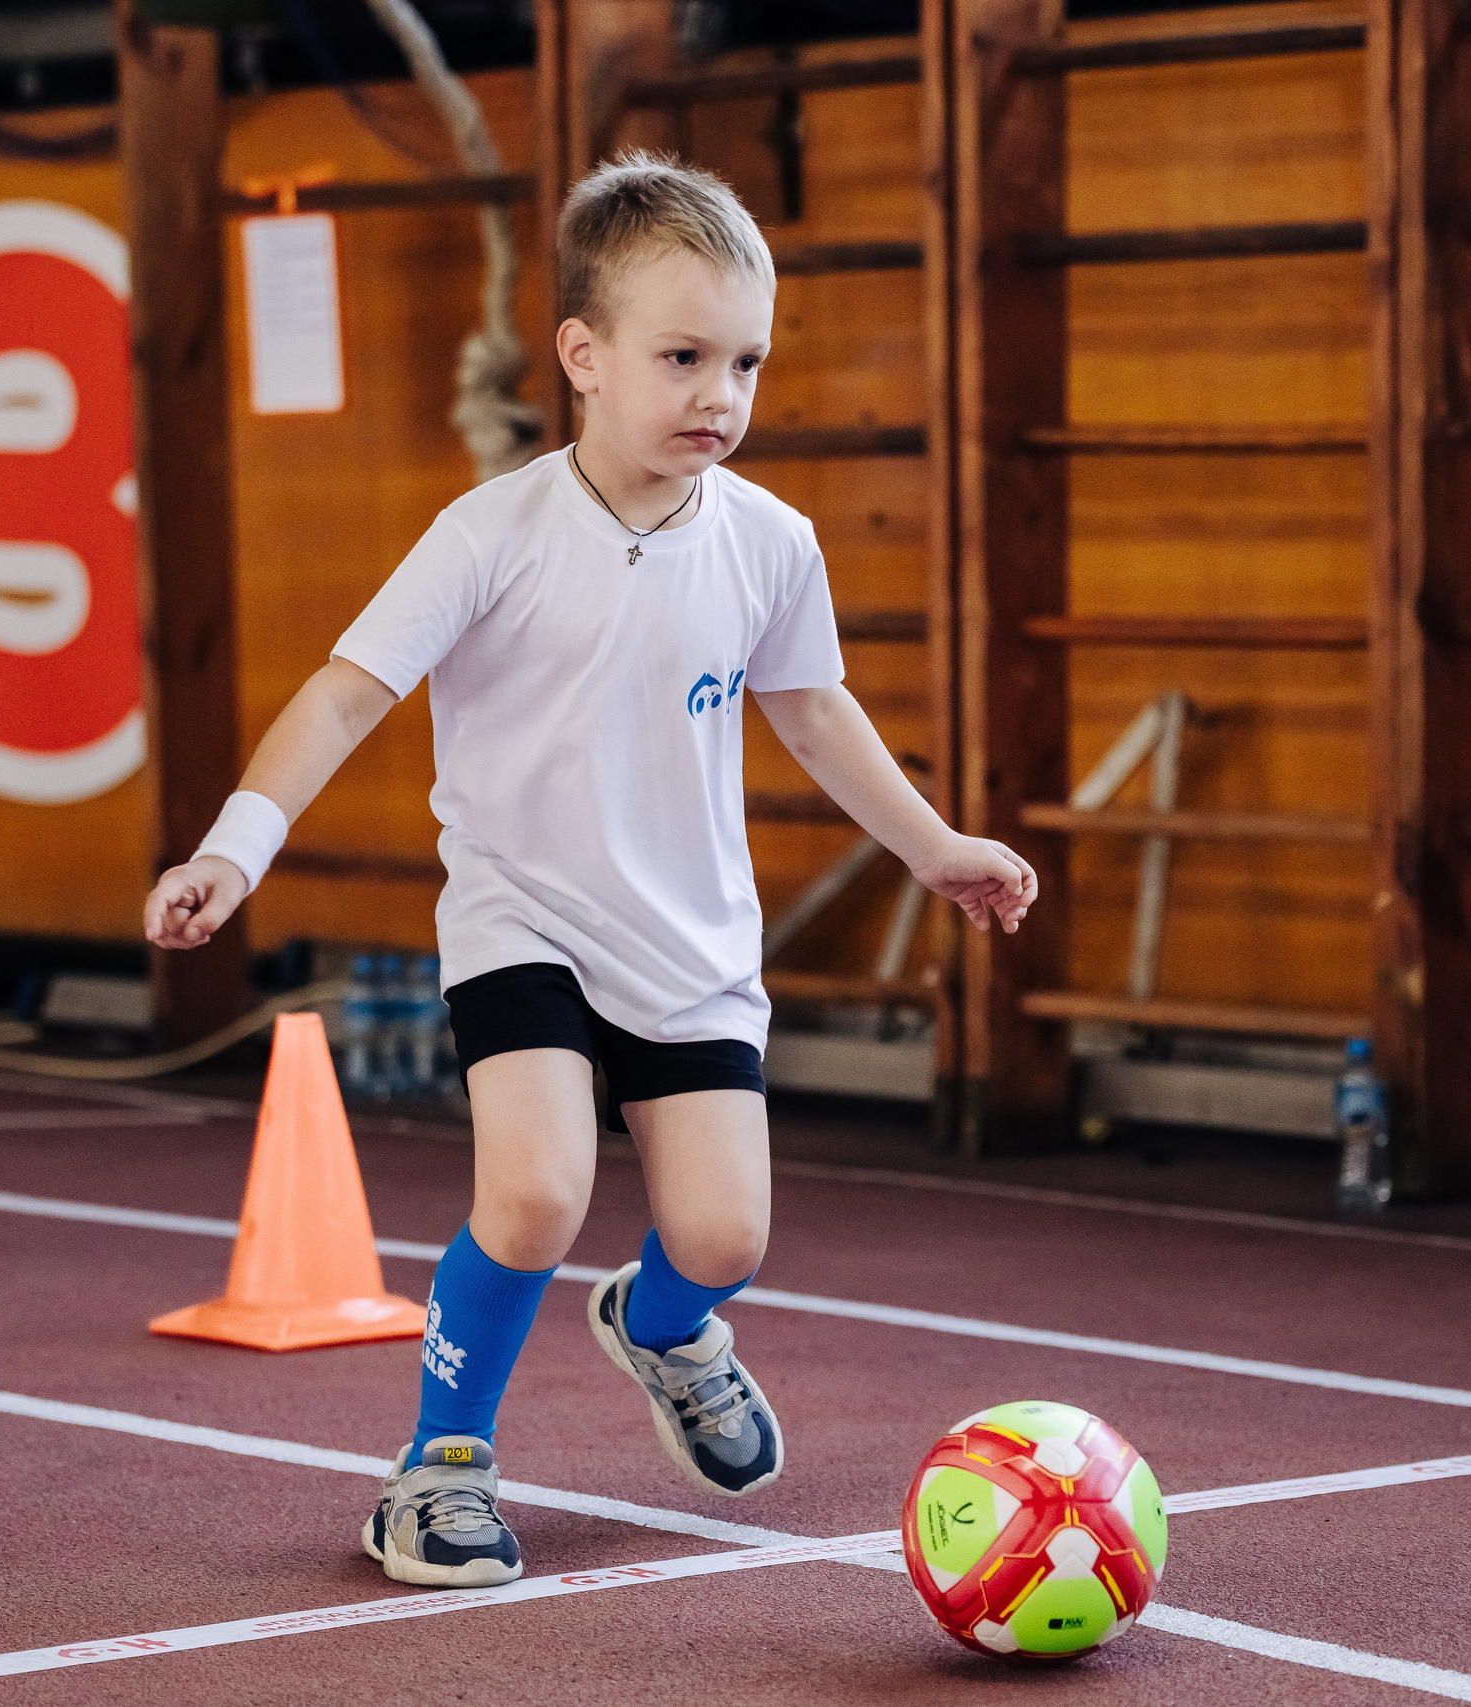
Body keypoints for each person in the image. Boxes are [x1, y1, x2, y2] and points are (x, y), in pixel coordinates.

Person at [142, 152, 1034, 1589]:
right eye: (681, 356)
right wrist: (236, 845)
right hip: (524, 918)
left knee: (726, 1232)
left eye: (744, 360)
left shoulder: (770, 542)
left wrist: (935, 846)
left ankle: (667, 1325)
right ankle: (439, 1468)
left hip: (690, 945)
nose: (719, 395)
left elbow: (809, 706)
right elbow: (347, 694)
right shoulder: (491, 534)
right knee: (541, 1190)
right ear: (582, 356)